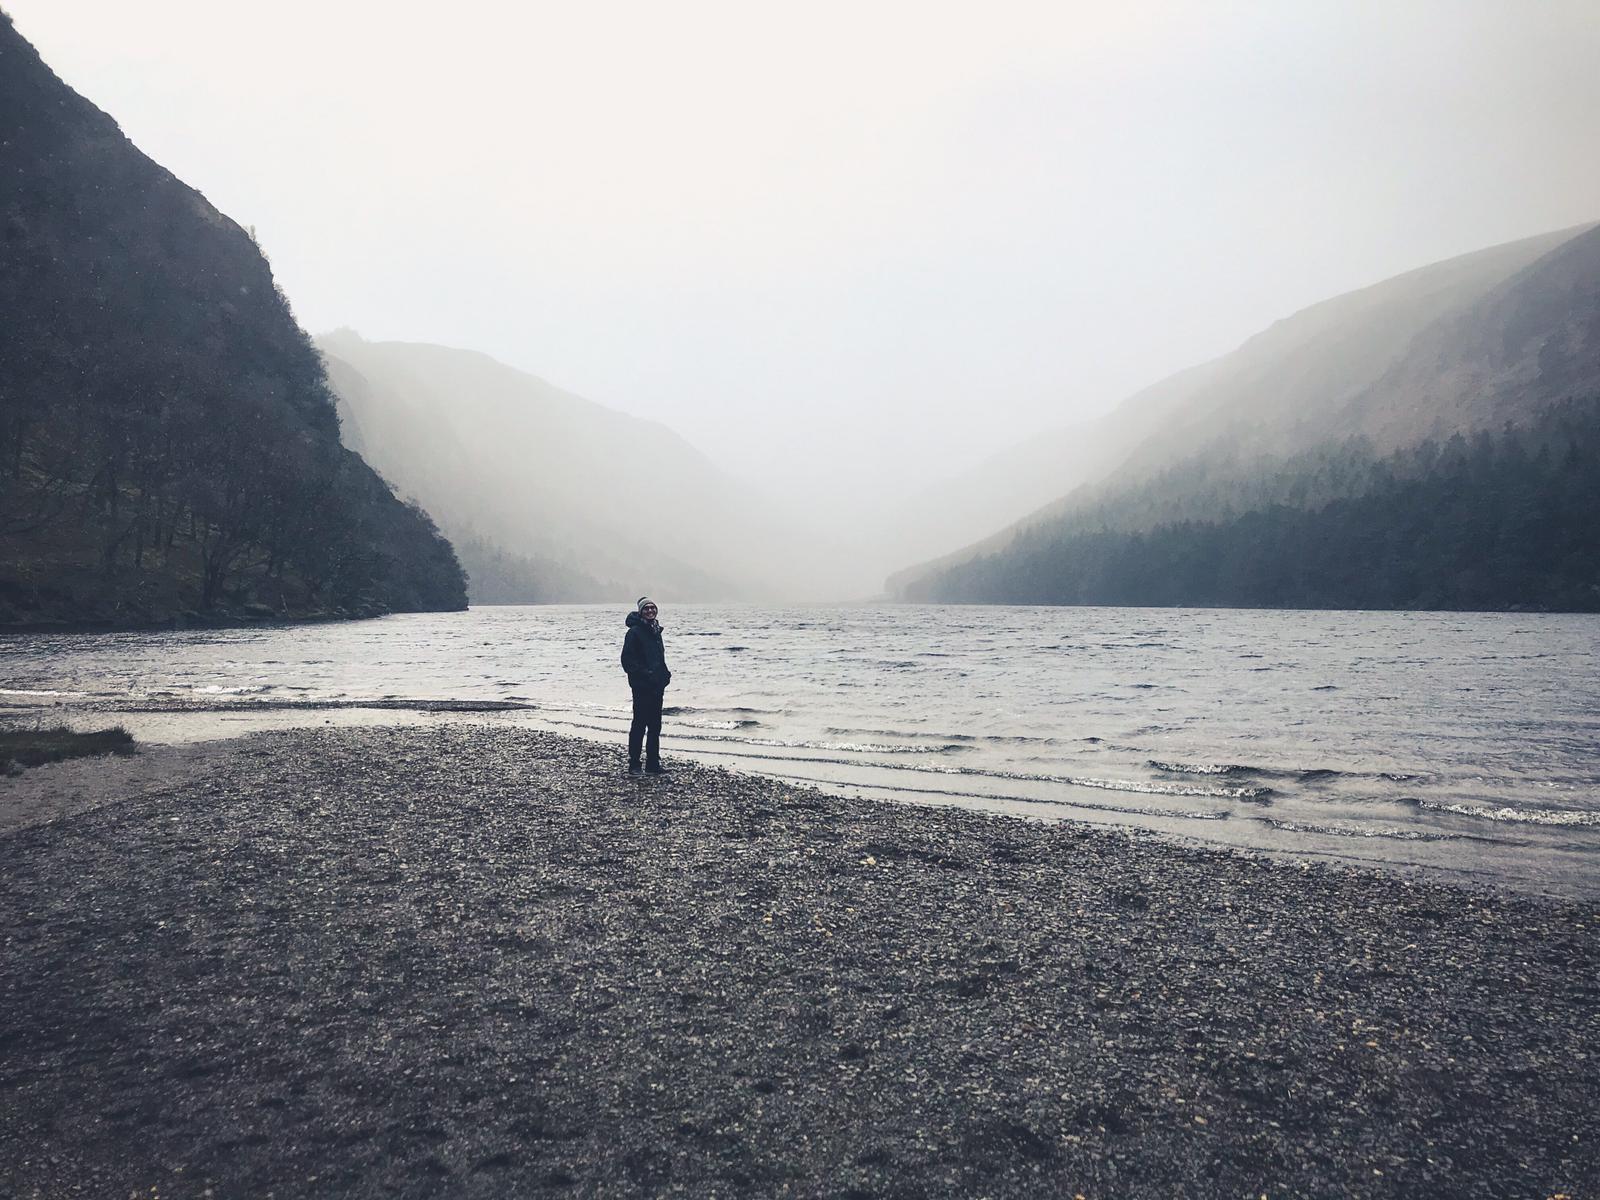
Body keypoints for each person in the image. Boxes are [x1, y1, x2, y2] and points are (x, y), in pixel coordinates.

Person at [620, 596, 671, 777]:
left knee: (655, 726)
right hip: (642, 687)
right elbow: (627, 661)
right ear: (641, 612)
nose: (650, 611)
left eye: (652, 608)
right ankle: (634, 764)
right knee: (639, 725)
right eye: (646, 609)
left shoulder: (655, 631)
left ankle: (652, 764)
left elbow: (658, 658)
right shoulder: (634, 632)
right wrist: (646, 675)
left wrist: (665, 675)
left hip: (657, 687)